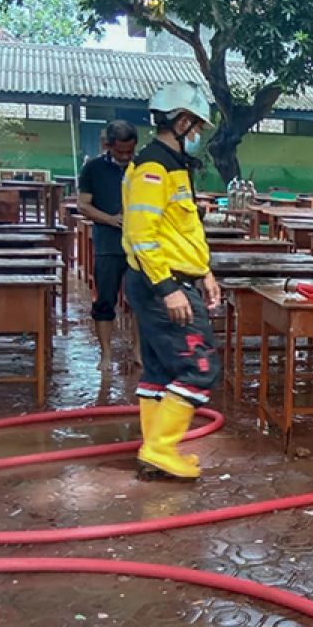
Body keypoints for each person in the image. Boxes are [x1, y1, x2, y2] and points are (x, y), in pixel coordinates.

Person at [122, 81, 222, 480]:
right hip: (161, 285)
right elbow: (141, 235)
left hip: (174, 279)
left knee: (162, 370)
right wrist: (168, 289)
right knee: (199, 368)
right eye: (196, 125)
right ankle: (161, 448)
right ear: (181, 121)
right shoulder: (153, 167)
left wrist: (205, 273)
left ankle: (155, 452)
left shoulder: (175, 165)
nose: (198, 134)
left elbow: (181, 231)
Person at [78, 120, 139, 371]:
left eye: (130, 152)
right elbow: (83, 205)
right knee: (105, 300)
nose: (125, 157)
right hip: (108, 244)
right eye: (120, 151)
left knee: (139, 299)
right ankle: (105, 354)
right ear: (107, 145)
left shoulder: (143, 167)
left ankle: (139, 351)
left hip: (138, 244)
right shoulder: (93, 168)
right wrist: (111, 219)